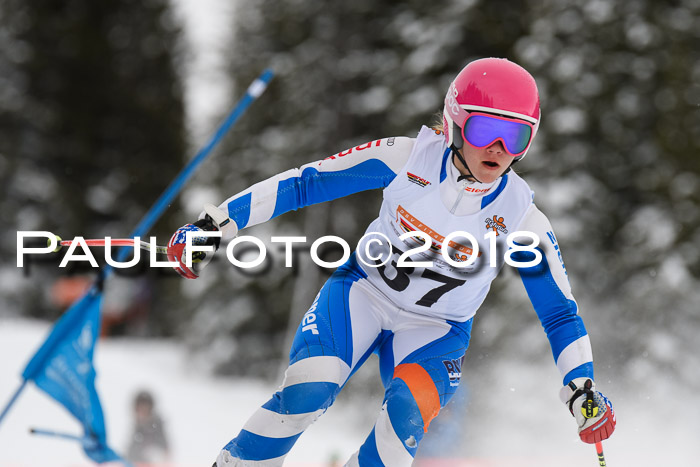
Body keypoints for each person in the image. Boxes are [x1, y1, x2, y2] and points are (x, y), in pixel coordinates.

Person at [167, 58, 616, 466]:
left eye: (516, 135)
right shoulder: (406, 159)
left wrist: (582, 390)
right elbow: (307, 183)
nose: (498, 148)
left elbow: (559, 314)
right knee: (307, 392)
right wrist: (215, 225)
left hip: (436, 331)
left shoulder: (522, 217)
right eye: (485, 131)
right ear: (455, 123)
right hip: (362, 294)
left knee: (400, 428)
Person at [126, 390, 170, 465]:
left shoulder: (156, 427)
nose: (141, 412)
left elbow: (165, 452)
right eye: (139, 409)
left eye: (144, 408)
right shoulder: (137, 427)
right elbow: (131, 453)